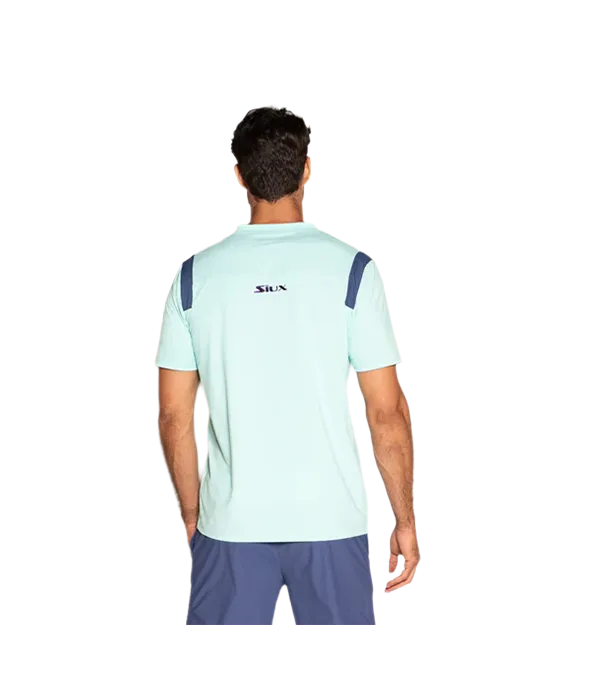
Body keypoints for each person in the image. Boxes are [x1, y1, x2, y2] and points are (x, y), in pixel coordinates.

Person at [154, 104, 420, 631]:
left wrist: (192, 515)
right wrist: (405, 520)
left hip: (230, 526)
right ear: (307, 169)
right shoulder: (352, 271)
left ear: (238, 175)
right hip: (330, 521)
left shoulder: (193, 279)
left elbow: (173, 416)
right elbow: (386, 413)